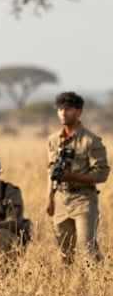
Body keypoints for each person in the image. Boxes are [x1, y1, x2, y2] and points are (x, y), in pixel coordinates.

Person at [45, 91, 109, 264]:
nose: (63, 113)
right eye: (60, 109)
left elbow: (102, 173)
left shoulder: (91, 140)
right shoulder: (53, 140)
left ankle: (100, 285)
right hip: (61, 199)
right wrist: (49, 198)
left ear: (79, 111)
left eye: (68, 109)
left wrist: (72, 176)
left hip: (84, 199)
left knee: (86, 244)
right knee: (64, 251)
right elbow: (51, 172)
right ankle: (68, 288)